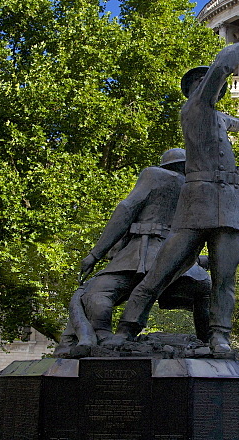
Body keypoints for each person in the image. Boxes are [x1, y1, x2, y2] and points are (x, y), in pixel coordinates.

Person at [114, 40, 239, 357]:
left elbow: (234, 122)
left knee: (224, 279)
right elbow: (223, 65)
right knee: (163, 269)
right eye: (201, 80)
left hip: (232, 204)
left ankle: (219, 336)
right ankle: (127, 328)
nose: (207, 83)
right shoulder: (195, 108)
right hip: (199, 200)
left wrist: (238, 121)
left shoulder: (216, 117)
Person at [58, 149, 211, 351]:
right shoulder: (199, 190)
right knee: (205, 291)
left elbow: (126, 209)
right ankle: (211, 343)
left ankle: (103, 336)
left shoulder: (155, 174)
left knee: (96, 293)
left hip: (140, 256)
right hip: (179, 263)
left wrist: (95, 254)